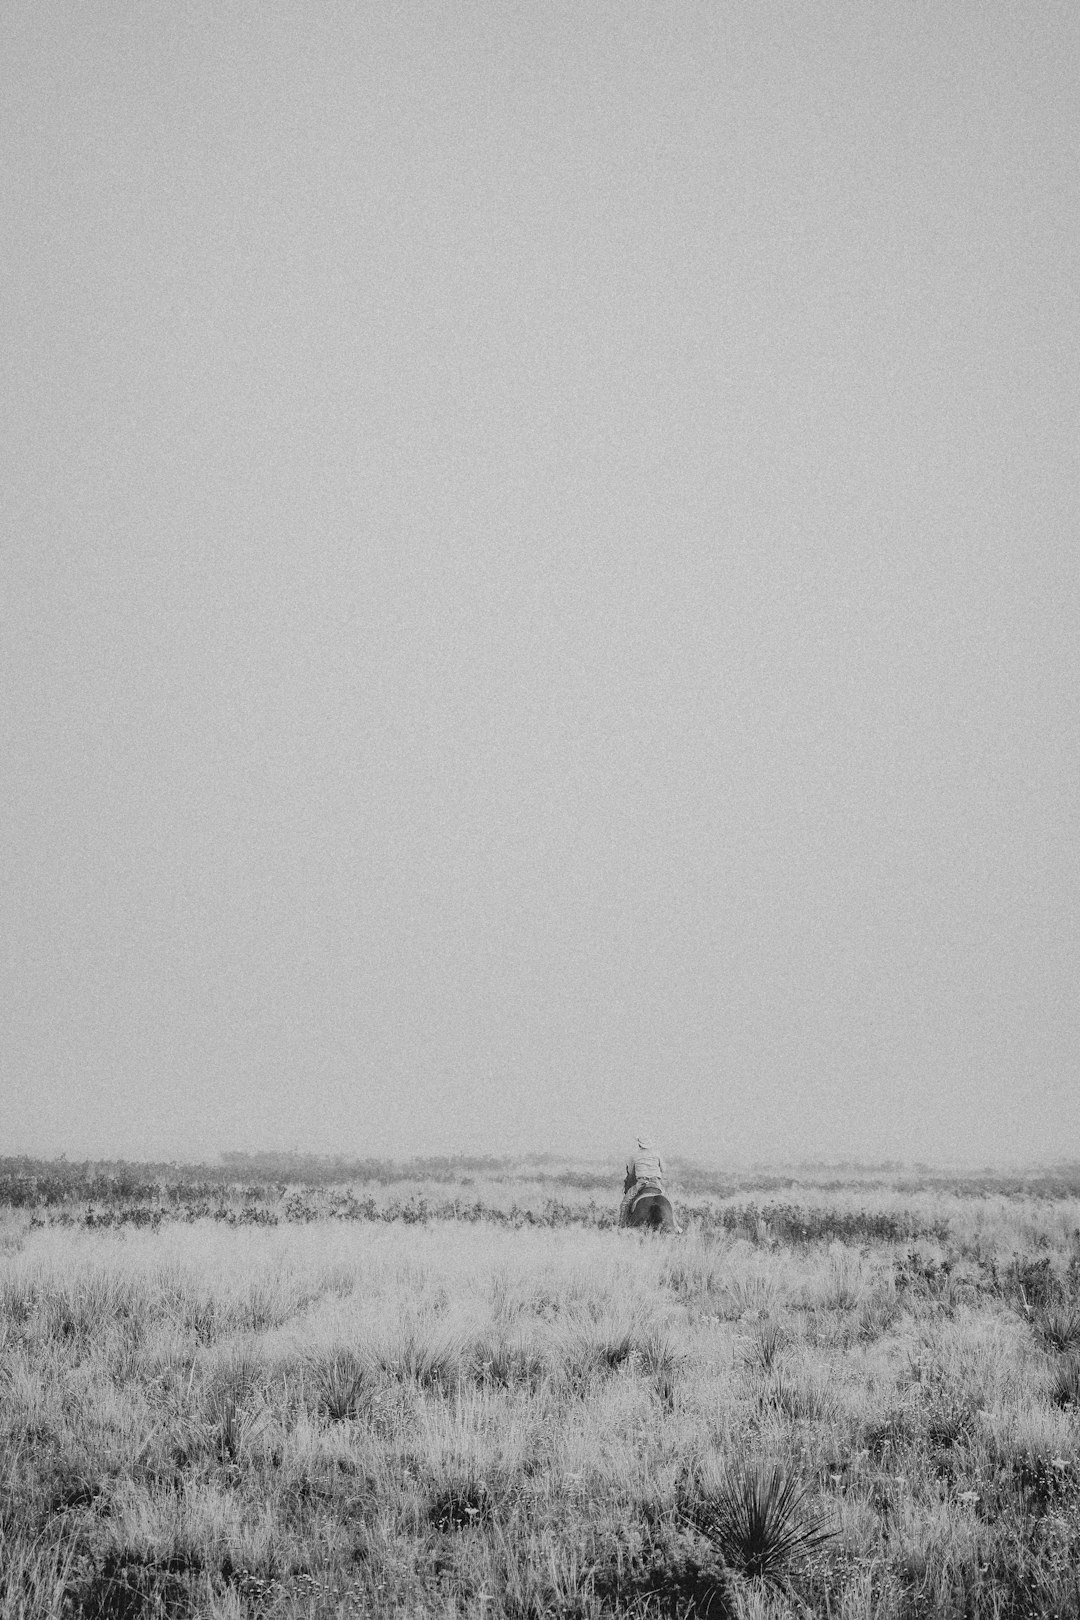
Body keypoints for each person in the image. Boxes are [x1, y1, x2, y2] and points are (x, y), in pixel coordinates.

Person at [618, 1133, 666, 1227]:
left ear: (639, 1144)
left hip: (641, 1183)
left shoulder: (634, 1156)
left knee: (625, 1203)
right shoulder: (657, 1154)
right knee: (667, 1201)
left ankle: (622, 1225)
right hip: (656, 1183)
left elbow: (630, 1172)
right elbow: (664, 1169)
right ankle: (675, 1225)